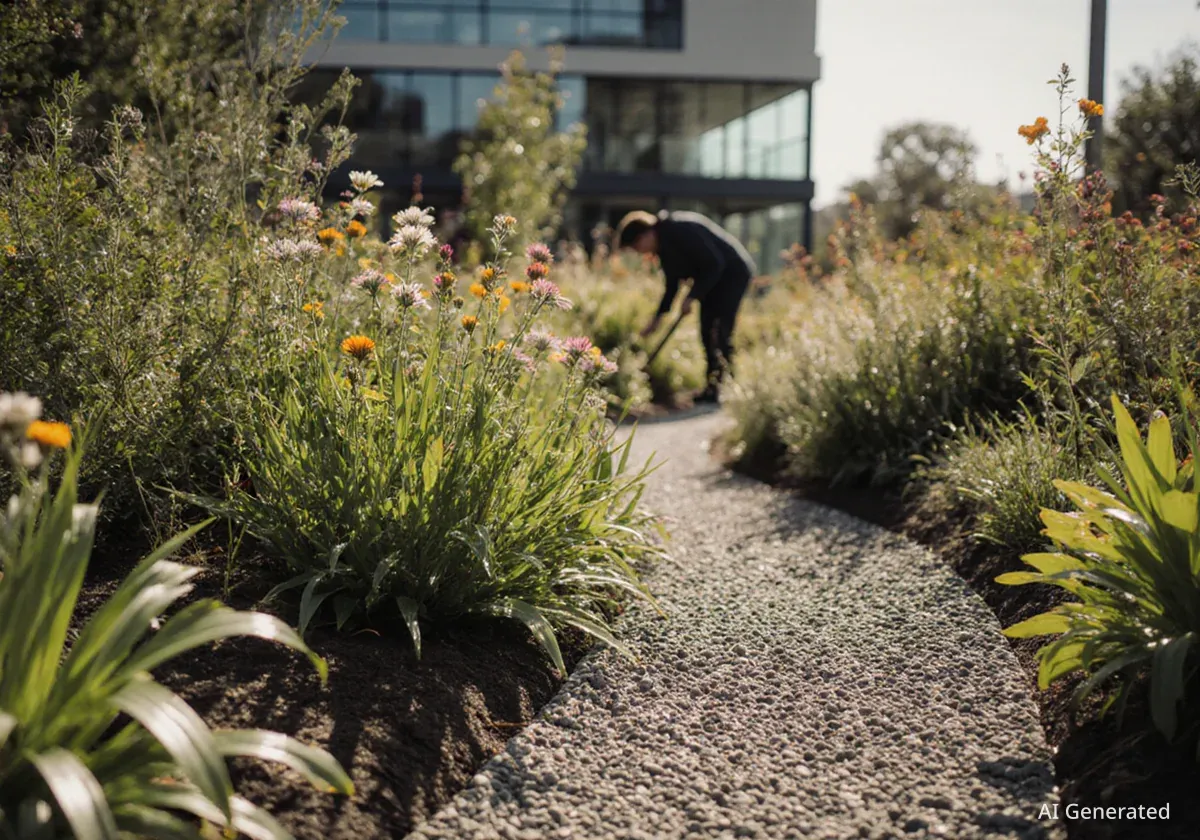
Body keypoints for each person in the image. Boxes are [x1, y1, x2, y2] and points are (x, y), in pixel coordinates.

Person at [615, 209, 756, 403]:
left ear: (644, 236)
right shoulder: (663, 247)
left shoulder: (678, 230)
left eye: (636, 248)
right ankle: (713, 387)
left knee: (719, 329)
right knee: (706, 330)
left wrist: (692, 296)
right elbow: (672, 285)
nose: (640, 253)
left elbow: (714, 262)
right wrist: (658, 319)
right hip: (712, 280)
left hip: (731, 274)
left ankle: (727, 388)